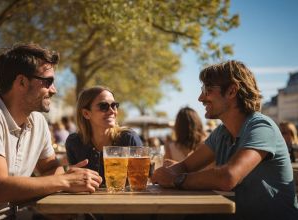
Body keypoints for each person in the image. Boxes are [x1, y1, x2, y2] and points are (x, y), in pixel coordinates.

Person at [0, 43, 102, 219]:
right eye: (48, 81)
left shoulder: (38, 122)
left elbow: (50, 169)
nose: (54, 90)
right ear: (21, 82)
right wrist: (65, 180)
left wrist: (67, 174)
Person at [152, 60, 298, 220]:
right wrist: (169, 172)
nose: (201, 98)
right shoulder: (222, 132)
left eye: (207, 90)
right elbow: (187, 165)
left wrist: (176, 179)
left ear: (232, 91)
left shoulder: (261, 127)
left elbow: (228, 177)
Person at [65, 86, 142, 186]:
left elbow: (142, 180)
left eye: (114, 105)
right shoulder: (74, 142)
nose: (112, 111)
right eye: (103, 106)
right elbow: (74, 181)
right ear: (86, 113)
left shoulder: (128, 138)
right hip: (87, 200)